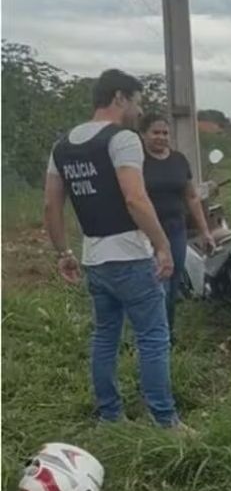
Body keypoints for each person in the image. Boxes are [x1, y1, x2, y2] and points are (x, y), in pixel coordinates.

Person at [43, 69, 189, 430]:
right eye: (136, 101)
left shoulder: (61, 146)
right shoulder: (121, 139)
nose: (139, 110)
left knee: (105, 337)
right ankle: (164, 420)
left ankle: (110, 416)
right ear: (119, 98)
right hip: (131, 257)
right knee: (154, 337)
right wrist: (162, 246)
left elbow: (50, 207)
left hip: (95, 260)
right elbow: (135, 199)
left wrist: (63, 253)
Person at [140, 113, 215, 340]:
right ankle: (153, 334)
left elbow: (191, 197)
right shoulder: (136, 162)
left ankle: (167, 333)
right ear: (143, 135)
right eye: (155, 132)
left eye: (165, 133)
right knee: (155, 285)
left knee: (172, 284)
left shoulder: (179, 160)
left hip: (175, 229)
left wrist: (205, 232)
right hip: (146, 233)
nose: (161, 137)